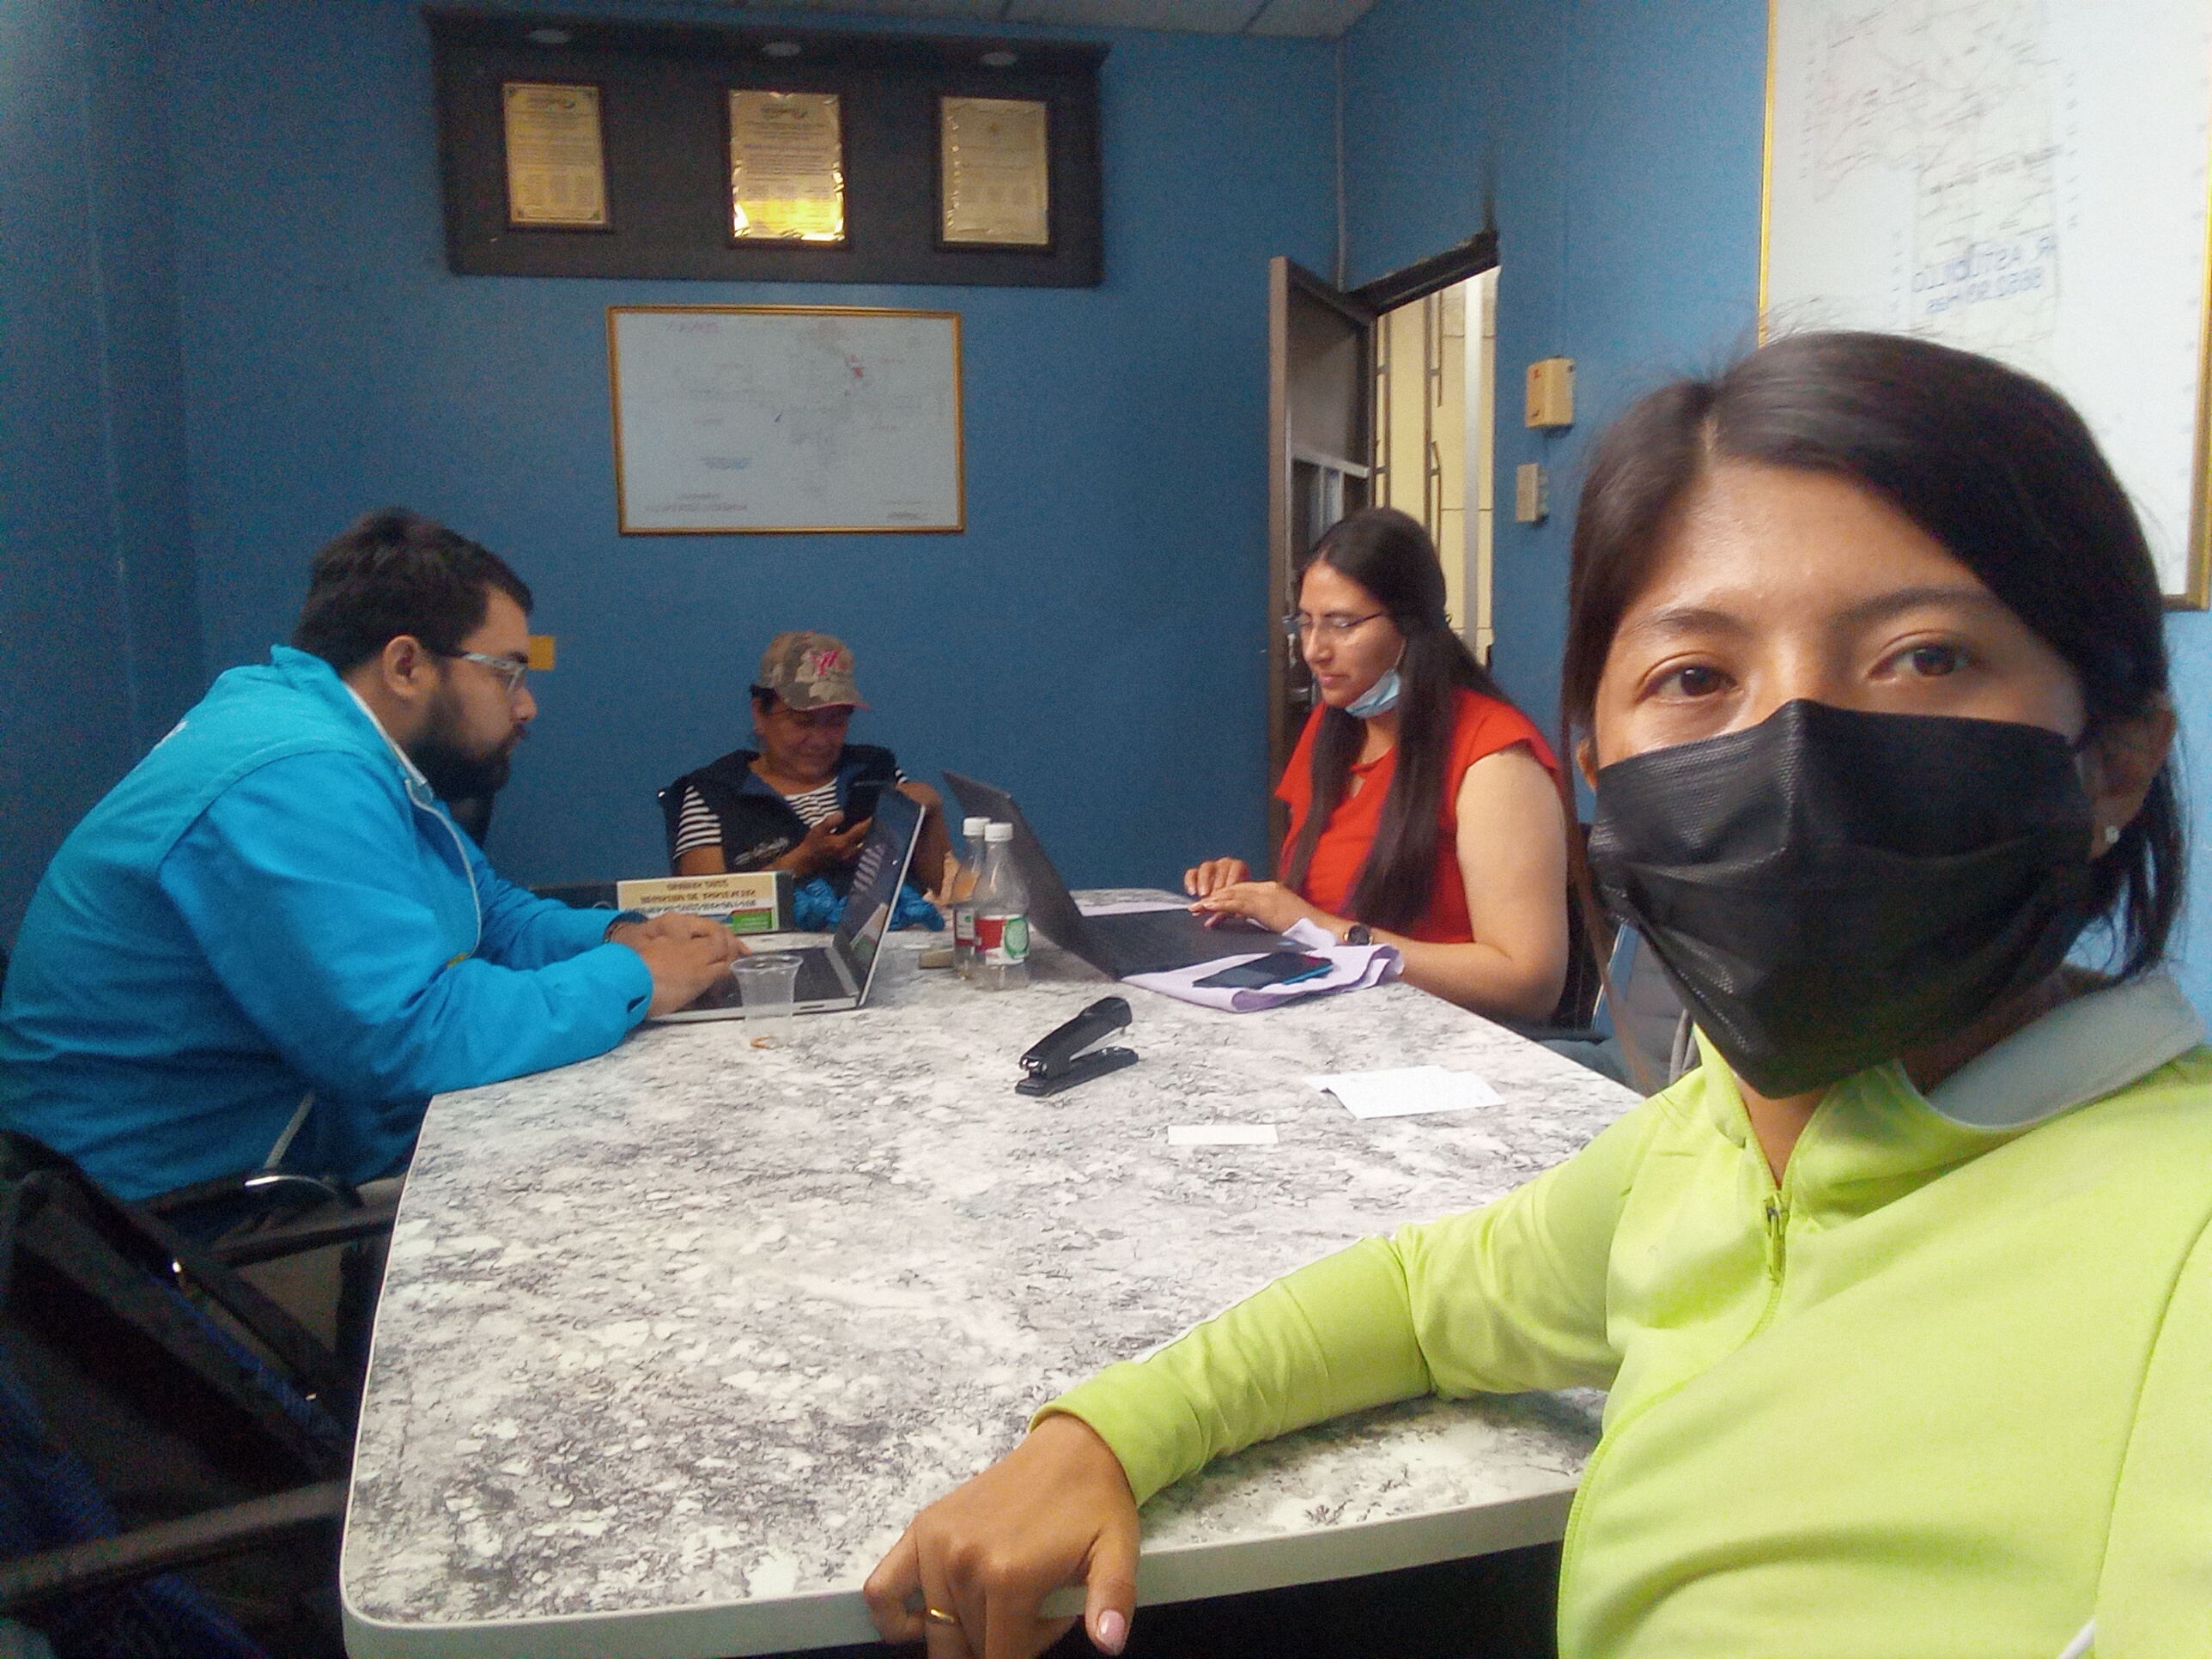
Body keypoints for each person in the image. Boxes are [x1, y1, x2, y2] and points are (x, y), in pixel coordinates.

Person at [860, 333, 2204, 1659]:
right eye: (1694, 677)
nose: (1793, 754)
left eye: (1924, 657)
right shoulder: (1711, 1141)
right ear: (1601, 760)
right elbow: (1422, 1293)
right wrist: (1103, 1431)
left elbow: (1521, 973)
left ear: (2116, 760)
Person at [0, 510, 739, 1203]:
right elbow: (403, 1036)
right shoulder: (291, 774)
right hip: (196, 1230)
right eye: (506, 672)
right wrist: (637, 976)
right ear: (406, 666)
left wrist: (621, 935)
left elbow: (490, 912)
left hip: (292, 1162)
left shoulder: (345, 748)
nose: (526, 706)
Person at [1182, 507, 1568, 1019]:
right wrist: (1248, 901)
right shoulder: (1332, 727)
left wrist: (1315, 926)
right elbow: (1318, 903)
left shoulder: (1492, 757)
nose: (1314, 651)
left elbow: (1529, 984)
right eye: (1305, 624)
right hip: (1335, 1021)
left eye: (1342, 625)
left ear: (1412, 626)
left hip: (1440, 1040)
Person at [662, 630, 952, 895]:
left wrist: (931, 809)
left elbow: (946, 891)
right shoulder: (714, 794)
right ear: (760, 714)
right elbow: (704, 907)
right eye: (802, 722)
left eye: (835, 721)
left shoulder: (876, 771)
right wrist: (802, 861)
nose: (819, 740)